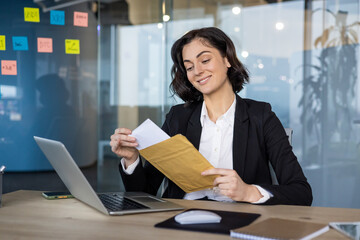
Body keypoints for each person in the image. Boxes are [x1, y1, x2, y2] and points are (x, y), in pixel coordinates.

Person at [110, 27, 312, 206]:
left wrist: (248, 192)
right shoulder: (178, 118)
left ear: (227, 60)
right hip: (181, 221)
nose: (197, 71)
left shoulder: (261, 116)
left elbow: (301, 192)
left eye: (205, 60)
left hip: (242, 221)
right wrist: (132, 159)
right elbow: (144, 195)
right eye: (189, 67)